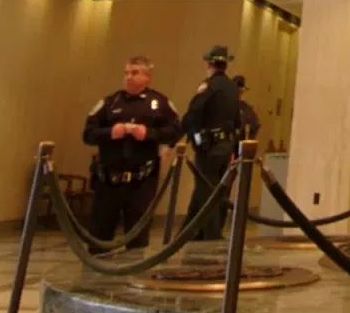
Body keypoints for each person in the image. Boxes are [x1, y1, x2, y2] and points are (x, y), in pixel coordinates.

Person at [82, 56, 180, 248]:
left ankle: (132, 276)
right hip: (108, 180)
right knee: (99, 237)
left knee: (137, 238)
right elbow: (88, 134)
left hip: (141, 182)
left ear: (147, 77)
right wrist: (111, 132)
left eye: (134, 73)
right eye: (126, 73)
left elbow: (175, 131)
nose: (128, 77)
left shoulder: (159, 103)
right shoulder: (110, 102)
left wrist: (149, 134)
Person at [181, 44, 242, 240]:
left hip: (209, 146)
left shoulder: (209, 86)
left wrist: (176, 138)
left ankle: (210, 235)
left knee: (207, 190)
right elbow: (236, 120)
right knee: (212, 188)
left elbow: (194, 113)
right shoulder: (233, 88)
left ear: (209, 64)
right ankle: (191, 231)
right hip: (226, 145)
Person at [233, 75, 260, 141]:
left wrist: (250, 139)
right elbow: (256, 124)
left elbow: (256, 124)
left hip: (237, 143)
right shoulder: (245, 107)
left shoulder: (245, 107)